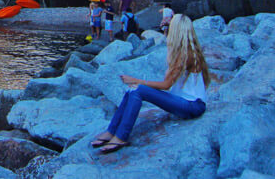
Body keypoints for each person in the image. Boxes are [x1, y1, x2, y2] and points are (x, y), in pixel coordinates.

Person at [90, 14, 210, 153]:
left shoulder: (186, 54)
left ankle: (121, 136)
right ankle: (112, 131)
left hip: (192, 106)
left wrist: (136, 80)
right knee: (132, 90)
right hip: (186, 103)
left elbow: (166, 85)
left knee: (138, 89)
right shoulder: (185, 50)